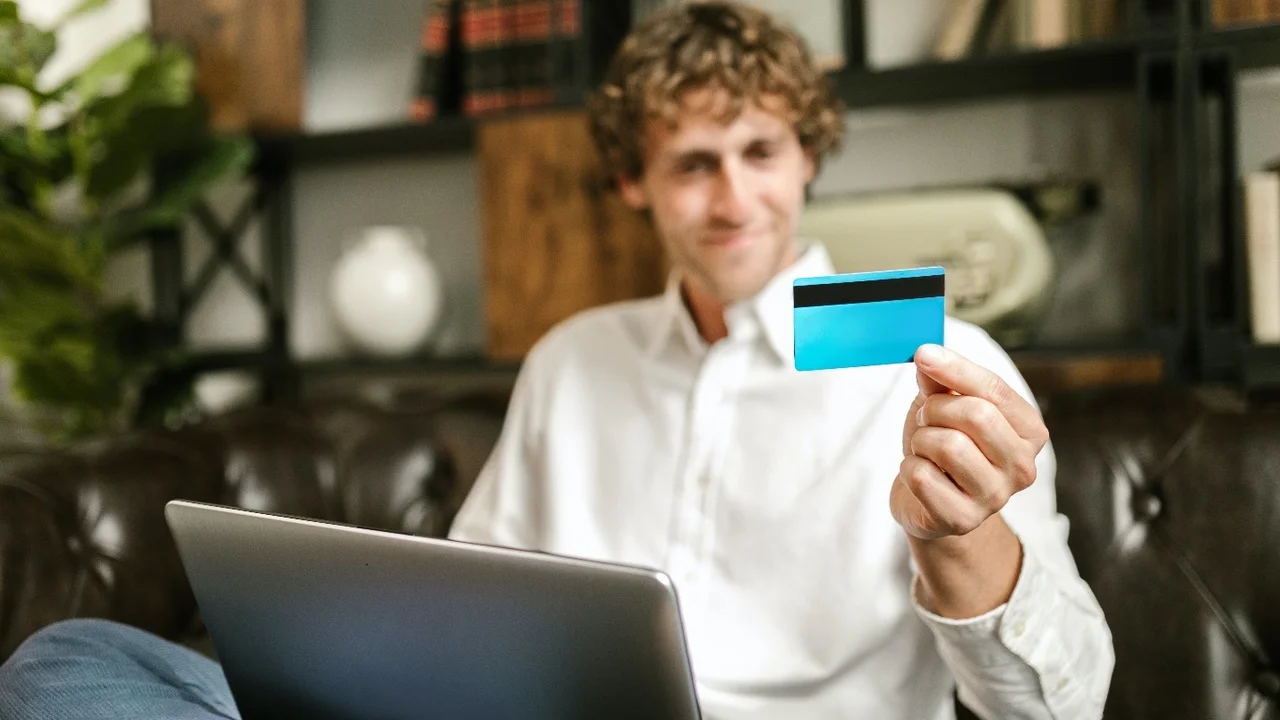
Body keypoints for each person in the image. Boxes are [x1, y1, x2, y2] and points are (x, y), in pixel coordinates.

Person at [0, 3, 1113, 719]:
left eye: (759, 153)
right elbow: (464, 608)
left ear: (806, 160)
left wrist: (962, 548)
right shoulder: (578, 361)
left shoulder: (937, 362)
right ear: (632, 184)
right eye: (689, 165)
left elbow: (1066, 706)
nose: (731, 199)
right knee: (71, 661)